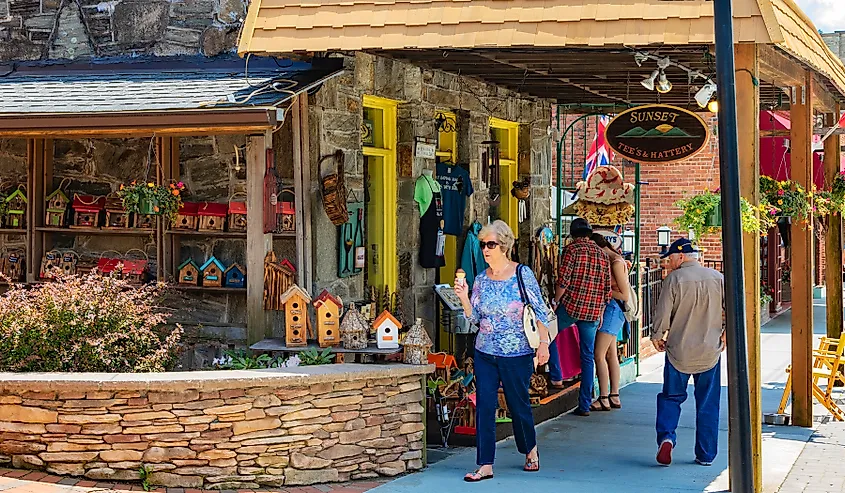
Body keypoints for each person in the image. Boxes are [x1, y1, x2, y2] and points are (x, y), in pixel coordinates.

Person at [454, 220, 551, 482]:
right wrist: (463, 297)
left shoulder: (522, 274)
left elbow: (539, 311)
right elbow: (474, 318)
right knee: (485, 405)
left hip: (516, 353)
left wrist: (544, 343)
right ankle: (485, 463)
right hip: (485, 352)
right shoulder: (482, 280)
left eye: (491, 244)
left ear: (504, 246)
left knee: (518, 405)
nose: (485, 249)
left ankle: (529, 449)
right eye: (483, 244)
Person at [651, 238, 725, 467]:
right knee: (708, 404)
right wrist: (726, 335)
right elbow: (733, 308)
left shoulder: (674, 279)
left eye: (671, 258)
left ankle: (667, 437)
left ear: (681, 257)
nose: (669, 263)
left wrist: (656, 335)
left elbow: (663, 313)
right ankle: (706, 454)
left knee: (671, 398)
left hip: (678, 351)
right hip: (709, 351)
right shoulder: (718, 278)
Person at [552, 218, 612, 416]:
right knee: (588, 356)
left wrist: (555, 301)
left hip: (571, 307)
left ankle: (556, 376)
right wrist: (601, 311)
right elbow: (607, 289)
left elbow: (563, 281)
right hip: (593, 310)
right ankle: (585, 404)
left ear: (573, 233)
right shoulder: (601, 254)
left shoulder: (571, 250)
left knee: (549, 334)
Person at [589, 233, 632, 411]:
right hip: (613, 309)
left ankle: (604, 397)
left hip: (613, 309)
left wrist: (603, 291)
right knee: (610, 354)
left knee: (598, 354)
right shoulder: (614, 260)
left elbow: (624, 294)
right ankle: (614, 395)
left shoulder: (615, 262)